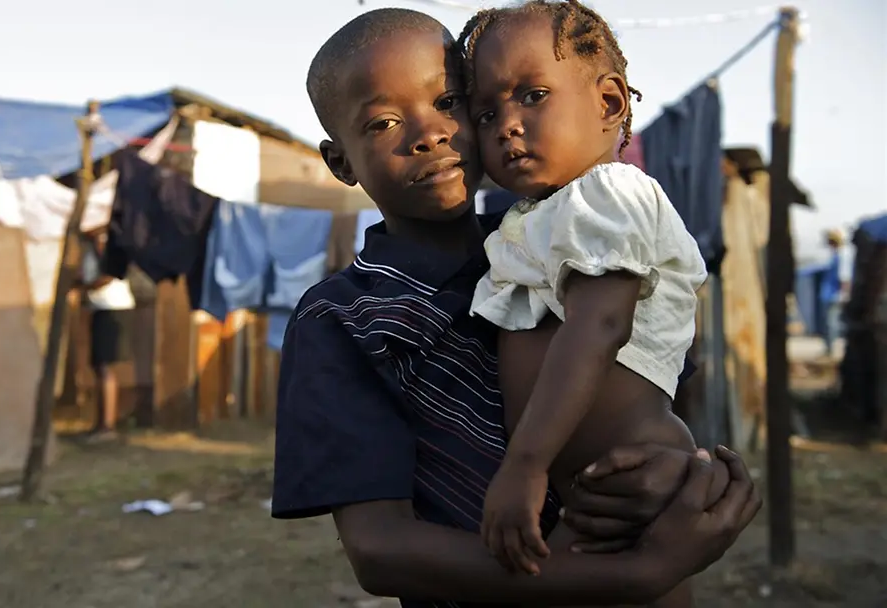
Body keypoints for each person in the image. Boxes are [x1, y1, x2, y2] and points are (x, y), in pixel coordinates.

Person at [271, 8, 761, 607]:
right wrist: (634, 574)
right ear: (340, 161)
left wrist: (676, 472)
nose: (429, 134)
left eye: (449, 102)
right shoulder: (343, 319)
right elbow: (380, 549)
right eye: (384, 122)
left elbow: (648, 389)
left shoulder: (568, 239)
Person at [457, 4, 714, 602]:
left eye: (533, 96)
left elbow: (600, 324)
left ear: (608, 103)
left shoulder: (609, 192)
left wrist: (525, 463)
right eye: (487, 112)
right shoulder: (536, 216)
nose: (507, 125)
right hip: (590, 487)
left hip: (633, 478)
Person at [78, 227, 136, 442]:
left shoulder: (113, 251)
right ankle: (101, 422)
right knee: (98, 367)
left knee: (105, 367)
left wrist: (84, 288)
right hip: (99, 308)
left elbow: (108, 276)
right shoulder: (89, 250)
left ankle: (107, 425)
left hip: (112, 308)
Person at [820, 228, 846, 355]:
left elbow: (844, 278)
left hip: (834, 295)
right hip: (828, 294)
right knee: (828, 322)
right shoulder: (833, 256)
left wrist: (843, 293)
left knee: (832, 323)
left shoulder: (841, 257)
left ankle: (831, 349)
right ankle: (828, 347)